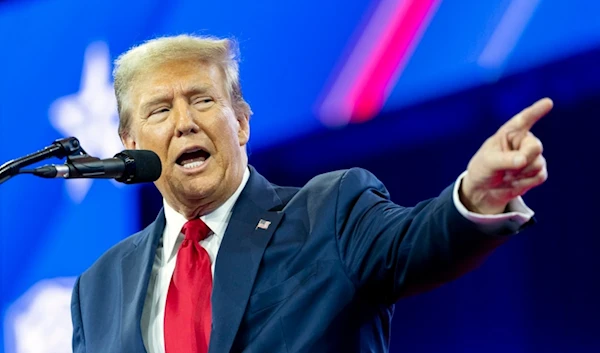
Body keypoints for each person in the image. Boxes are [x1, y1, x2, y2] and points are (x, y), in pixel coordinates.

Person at [70, 34, 551, 353]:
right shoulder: (99, 288)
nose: (184, 122)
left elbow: (418, 241)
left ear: (240, 123)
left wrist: (475, 198)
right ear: (130, 145)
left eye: (202, 100)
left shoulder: (330, 210)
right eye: (159, 111)